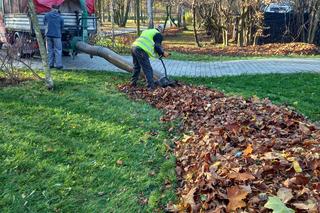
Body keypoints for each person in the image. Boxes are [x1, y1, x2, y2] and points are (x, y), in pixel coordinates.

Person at [131, 25, 170, 90]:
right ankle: (151, 87)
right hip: (141, 50)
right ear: (162, 30)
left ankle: (133, 83)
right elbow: (157, 46)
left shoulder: (147, 31)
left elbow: (151, 44)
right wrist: (162, 53)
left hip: (134, 47)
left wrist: (160, 52)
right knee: (148, 69)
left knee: (136, 67)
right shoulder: (158, 34)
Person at [44, 4, 64, 69]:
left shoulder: (47, 15)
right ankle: (59, 65)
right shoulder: (60, 17)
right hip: (57, 36)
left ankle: (50, 64)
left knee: (49, 50)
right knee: (58, 50)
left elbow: (44, 23)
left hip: (48, 35)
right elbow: (62, 27)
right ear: (57, 9)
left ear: (51, 8)